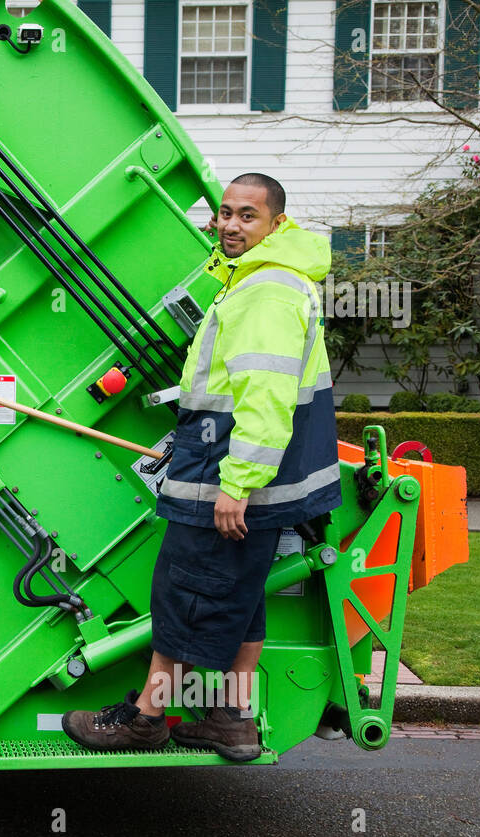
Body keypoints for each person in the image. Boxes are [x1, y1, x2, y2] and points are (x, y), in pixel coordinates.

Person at [62, 173, 340, 760]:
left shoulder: (266, 291)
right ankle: (231, 720)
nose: (231, 225)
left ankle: (146, 719)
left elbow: (264, 399)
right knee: (241, 599)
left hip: (229, 476)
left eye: (247, 216)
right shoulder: (265, 281)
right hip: (246, 473)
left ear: (277, 224)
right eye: (225, 213)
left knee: (186, 592)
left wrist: (236, 486)